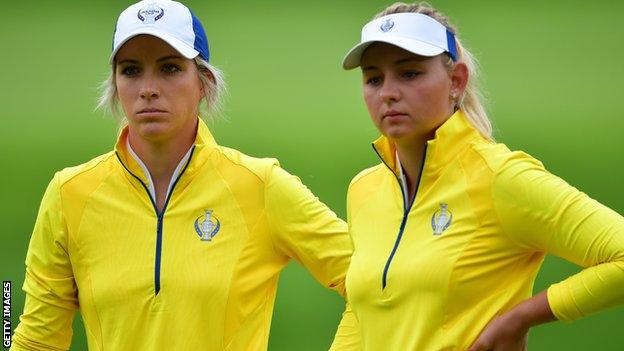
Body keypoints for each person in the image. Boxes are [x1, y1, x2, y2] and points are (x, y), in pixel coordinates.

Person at [11, 1, 351, 350]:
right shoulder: (69, 193)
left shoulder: (260, 185)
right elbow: (35, 338)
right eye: (130, 70)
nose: (148, 88)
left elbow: (368, 281)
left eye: (170, 68)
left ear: (203, 82)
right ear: (115, 84)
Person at [330, 2, 624, 350]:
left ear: (456, 81)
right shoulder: (363, 189)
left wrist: (520, 317)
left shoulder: (501, 177)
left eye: (409, 74)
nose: (388, 93)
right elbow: (362, 312)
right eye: (373, 78)